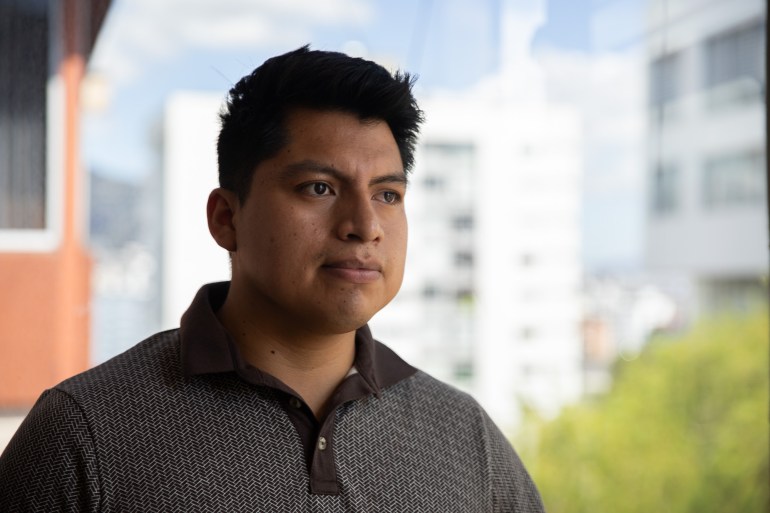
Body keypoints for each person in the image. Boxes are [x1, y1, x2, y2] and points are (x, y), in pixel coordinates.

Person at [0, 46, 545, 512]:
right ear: (226, 218)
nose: (364, 226)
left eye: (387, 194)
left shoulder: (464, 438)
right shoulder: (85, 433)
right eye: (318, 188)